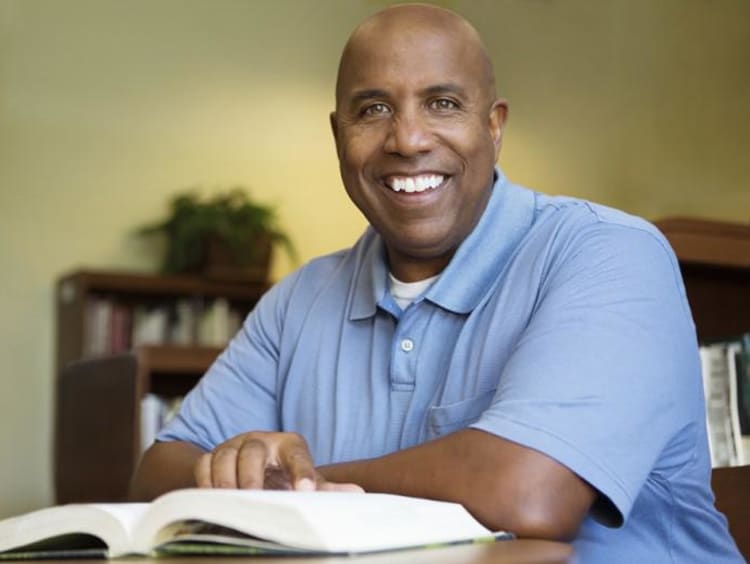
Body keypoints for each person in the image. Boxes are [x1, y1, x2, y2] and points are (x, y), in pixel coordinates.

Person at [130, 4, 742, 562]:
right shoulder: (298, 300)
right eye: (373, 109)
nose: (408, 139)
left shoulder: (609, 252)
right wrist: (240, 469)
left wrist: (300, 490)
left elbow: (529, 496)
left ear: (494, 126)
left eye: (443, 103)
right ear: (339, 135)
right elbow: (157, 471)